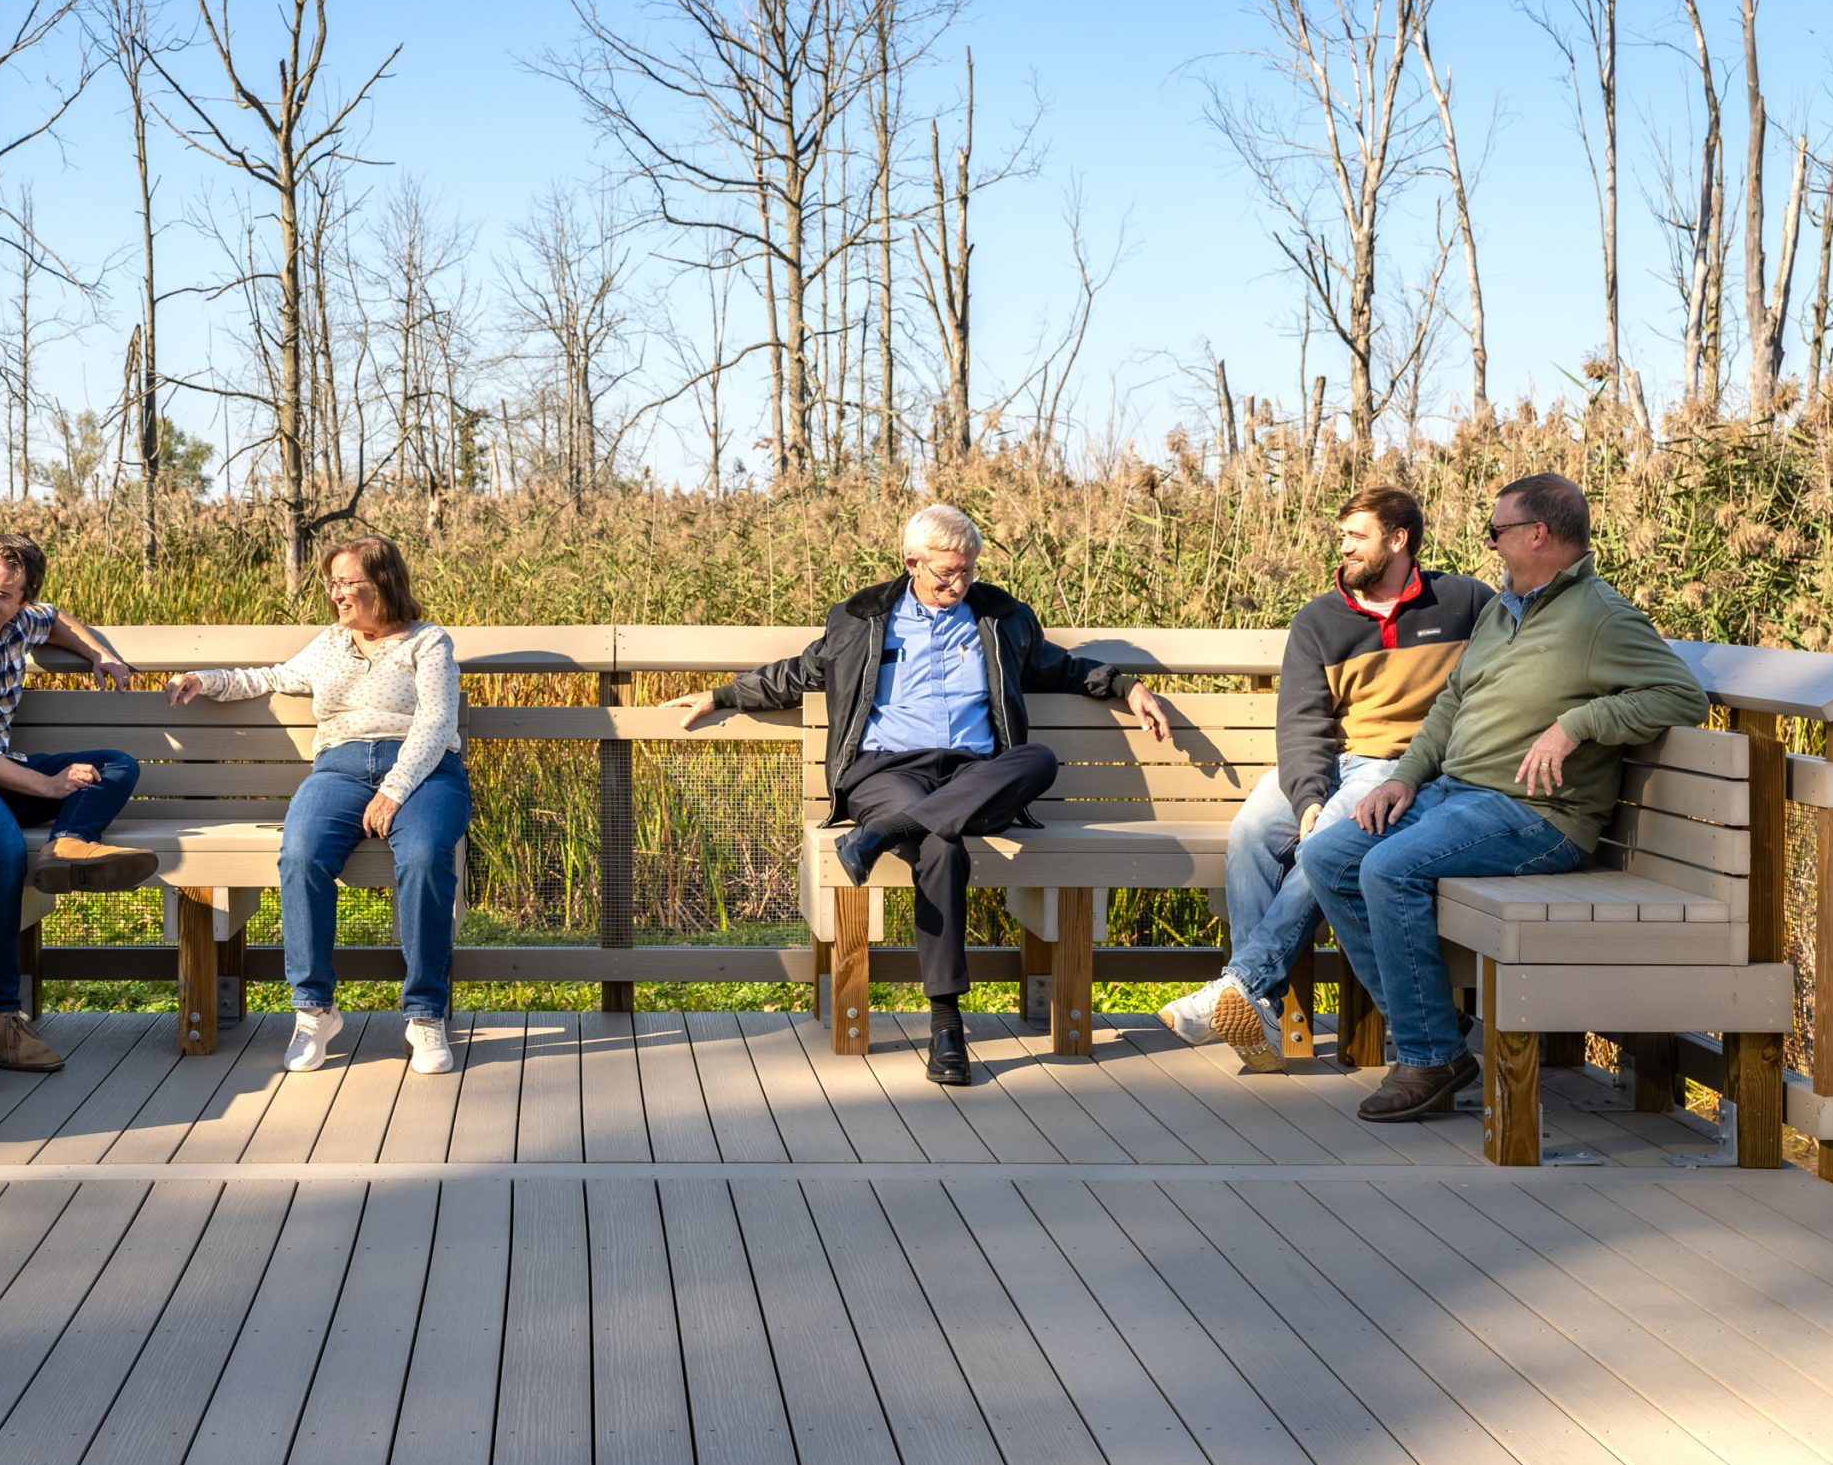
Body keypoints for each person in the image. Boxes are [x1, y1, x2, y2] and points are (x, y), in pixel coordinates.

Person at [667, 504, 1174, 1086]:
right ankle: (946, 1026)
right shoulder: (861, 619)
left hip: (972, 777)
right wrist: (721, 696)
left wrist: (1126, 686)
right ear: (912, 562)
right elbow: (799, 672)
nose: (957, 584)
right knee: (943, 846)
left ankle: (885, 835)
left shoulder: (1001, 618)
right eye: (945, 573)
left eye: (967, 572)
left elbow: (1057, 667)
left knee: (1038, 759)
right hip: (887, 773)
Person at [1298, 473, 1710, 1121]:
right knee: (1328, 856)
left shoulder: (1600, 617)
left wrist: (1578, 724)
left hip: (1537, 815)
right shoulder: (1502, 607)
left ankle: (1429, 1054)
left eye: (1498, 530)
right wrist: (1406, 775)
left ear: (1537, 534)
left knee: (1386, 867)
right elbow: (1452, 700)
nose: (1490, 543)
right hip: (1451, 793)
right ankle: (1434, 1038)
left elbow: (1683, 696)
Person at [1159, 485, 1492, 1070]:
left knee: (1328, 843)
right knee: (1254, 830)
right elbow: (1303, 721)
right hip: (1339, 762)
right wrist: (1308, 797)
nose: (1344, 549)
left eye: (1356, 537)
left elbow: (1510, 666)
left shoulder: (1465, 602)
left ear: (1399, 539)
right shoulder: (1318, 619)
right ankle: (1255, 1000)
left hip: (1408, 768)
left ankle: (1244, 986)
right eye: (1342, 537)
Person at [167, 536, 471, 1077]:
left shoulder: (428, 642)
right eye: (332, 583)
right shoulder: (331, 643)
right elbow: (269, 678)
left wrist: (395, 789)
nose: (336, 594)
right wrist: (203, 680)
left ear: (383, 582)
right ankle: (315, 1011)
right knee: (301, 855)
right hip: (339, 768)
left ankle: (425, 1014)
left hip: (423, 772)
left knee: (425, 857)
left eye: (346, 582)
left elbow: (436, 722)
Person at [0, 532, 160, 1072]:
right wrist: (47, 786)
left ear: (21, 598)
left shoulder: (20, 622)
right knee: (4, 848)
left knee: (117, 765)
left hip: (0, 768)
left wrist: (100, 654)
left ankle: (68, 845)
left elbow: (57, 619)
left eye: (3, 593)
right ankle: (0, 1013)